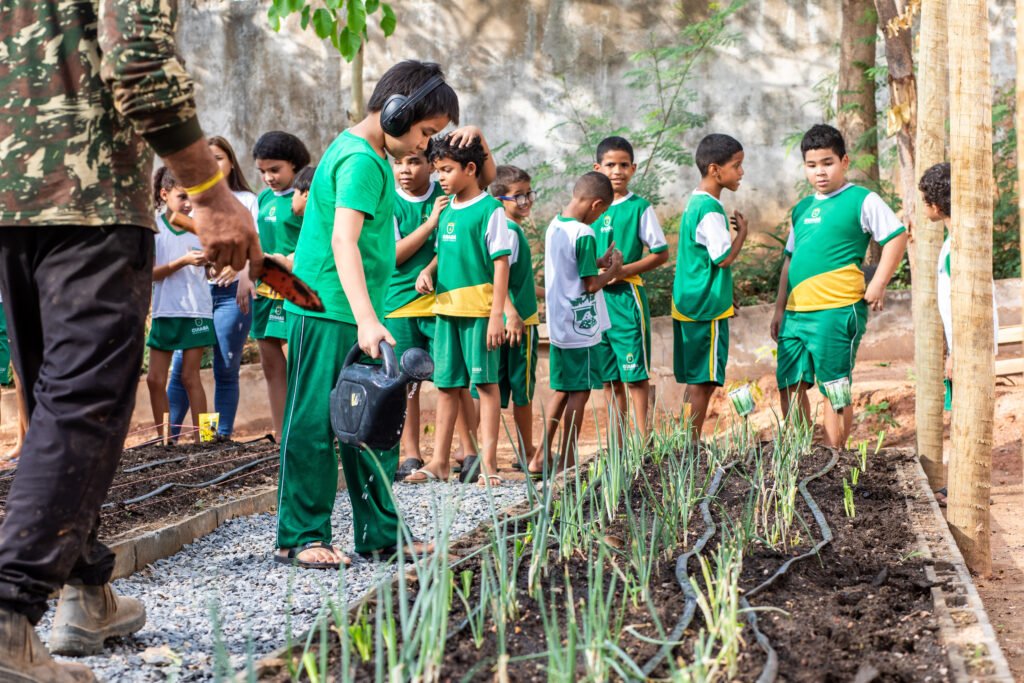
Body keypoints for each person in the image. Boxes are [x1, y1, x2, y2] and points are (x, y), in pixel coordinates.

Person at [0, 2, 260, 679]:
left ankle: (88, 589)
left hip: (10, 193)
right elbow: (138, 57)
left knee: (53, 399)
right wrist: (209, 188)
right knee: (84, 404)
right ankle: (8, 614)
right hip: (88, 201)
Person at [274, 60, 462, 569]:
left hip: (357, 312)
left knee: (372, 423)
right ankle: (300, 535)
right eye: (426, 133)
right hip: (330, 312)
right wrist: (366, 318)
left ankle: (380, 535)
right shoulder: (359, 159)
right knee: (315, 425)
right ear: (398, 112)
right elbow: (343, 240)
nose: (426, 147)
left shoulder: (371, 156)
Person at [770, 124, 908, 447]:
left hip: (837, 310)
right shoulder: (801, 209)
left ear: (844, 162)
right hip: (795, 314)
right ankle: (799, 456)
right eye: (812, 165)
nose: (820, 172)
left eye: (828, 163)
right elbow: (789, 260)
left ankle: (834, 461)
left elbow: (896, 236)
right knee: (789, 384)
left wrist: (879, 282)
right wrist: (779, 308)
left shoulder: (862, 199)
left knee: (835, 387)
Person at [404, 133, 507, 486]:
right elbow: (444, 252)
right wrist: (428, 270)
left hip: (479, 315)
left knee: (486, 385)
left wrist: (497, 315)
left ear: (471, 168)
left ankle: (489, 464)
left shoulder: (490, 210)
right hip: (445, 312)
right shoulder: (445, 209)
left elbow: (501, 264)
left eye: (446, 170)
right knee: (447, 387)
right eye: (438, 171)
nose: (441, 178)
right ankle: (438, 463)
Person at [167, 136, 258, 440]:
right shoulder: (189, 203)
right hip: (195, 299)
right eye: (208, 158)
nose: (213, 164)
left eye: (218, 157)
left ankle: (217, 437)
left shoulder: (246, 200)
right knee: (183, 369)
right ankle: (168, 437)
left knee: (225, 368)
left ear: (231, 162)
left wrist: (244, 274)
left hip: (231, 296)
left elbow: (254, 245)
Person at [918, 161, 998, 505]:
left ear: (935, 206)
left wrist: (956, 353)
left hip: (967, 349)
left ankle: (968, 486)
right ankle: (965, 483)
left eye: (923, 201)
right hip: (969, 348)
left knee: (966, 415)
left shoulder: (958, 248)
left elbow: (962, 309)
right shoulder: (958, 242)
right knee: (964, 412)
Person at [542, 172, 622, 471]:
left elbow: (571, 267)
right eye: (601, 213)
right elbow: (589, 285)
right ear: (596, 204)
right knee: (581, 390)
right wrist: (612, 270)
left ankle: (542, 453)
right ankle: (567, 457)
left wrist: (598, 261)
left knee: (562, 387)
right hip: (582, 324)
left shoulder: (556, 225)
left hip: (560, 321)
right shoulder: (584, 233)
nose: (599, 218)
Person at [591, 136, 669, 441]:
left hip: (626, 299)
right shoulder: (592, 207)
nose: (617, 170)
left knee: (634, 373)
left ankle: (642, 440)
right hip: (596, 301)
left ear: (634, 169)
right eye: (610, 164)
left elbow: (660, 253)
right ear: (598, 167)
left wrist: (623, 271)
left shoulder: (639, 208)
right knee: (609, 378)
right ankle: (617, 441)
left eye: (624, 165)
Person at [672, 134, 749, 439]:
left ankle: (683, 442)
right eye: (737, 166)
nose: (741, 173)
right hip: (705, 308)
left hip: (690, 303)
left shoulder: (694, 203)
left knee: (696, 379)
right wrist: (742, 233)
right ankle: (689, 444)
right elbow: (723, 259)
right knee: (704, 381)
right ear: (716, 169)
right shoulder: (711, 210)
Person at [384, 147, 448, 478]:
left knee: (451, 377)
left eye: (414, 162)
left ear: (432, 166)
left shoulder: (445, 193)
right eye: (398, 162)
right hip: (398, 302)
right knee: (406, 380)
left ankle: (460, 453)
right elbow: (394, 255)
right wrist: (430, 223)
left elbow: (450, 246)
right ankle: (411, 453)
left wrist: (431, 268)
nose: (405, 169)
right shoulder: (389, 203)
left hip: (443, 299)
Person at [146, 168, 215, 443]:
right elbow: (149, 273)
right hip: (165, 311)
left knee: (191, 377)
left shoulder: (201, 228)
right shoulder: (154, 227)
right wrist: (183, 262)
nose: (188, 203)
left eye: (192, 197)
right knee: (154, 380)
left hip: (196, 310)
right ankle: (164, 441)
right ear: (164, 194)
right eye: (182, 196)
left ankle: (206, 440)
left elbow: (214, 269)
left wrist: (212, 264)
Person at [252, 131, 311, 440]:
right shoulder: (262, 199)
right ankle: (280, 434)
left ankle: (306, 432)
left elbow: (318, 240)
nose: (268, 178)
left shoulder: (307, 196)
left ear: (294, 164)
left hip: (294, 289)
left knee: (299, 364)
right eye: (262, 171)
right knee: (271, 366)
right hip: (264, 290)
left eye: (274, 170)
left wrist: (290, 258)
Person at [487, 165, 541, 469]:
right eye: (518, 197)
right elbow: (499, 277)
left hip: (504, 318)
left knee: (491, 385)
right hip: (520, 322)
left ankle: (482, 452)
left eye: (528, 194)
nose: (526, 201)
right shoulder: (510, 231)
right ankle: (526, 448)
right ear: (499, 200)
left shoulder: (502, 230)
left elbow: (516, 280)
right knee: (523, 389)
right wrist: (511, 313)